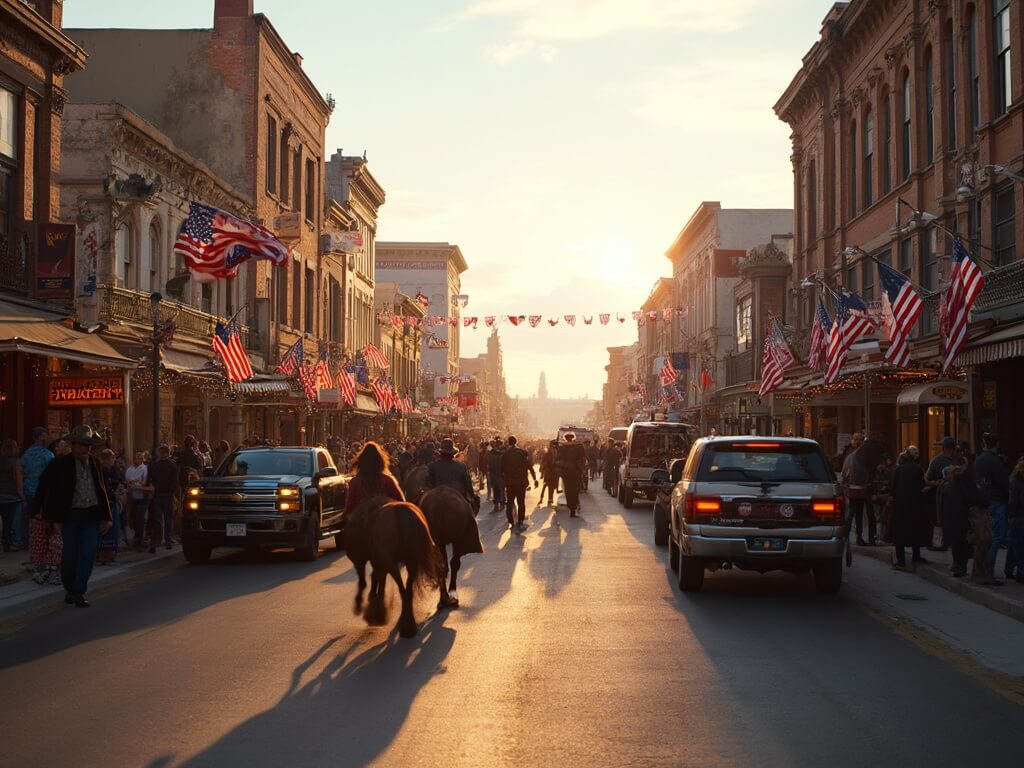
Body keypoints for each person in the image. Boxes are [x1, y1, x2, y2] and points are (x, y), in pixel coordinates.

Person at [36, 425, 112, 607]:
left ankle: (79, 591)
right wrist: (41, 514)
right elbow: (45, 488)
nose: (83, 448)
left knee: (87, 553)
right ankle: (70, 588)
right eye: (79, 444)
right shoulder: (59, 464)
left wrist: (107, 516)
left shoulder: (95, 463)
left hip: (91, 515)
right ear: (73, 445)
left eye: (86, 445)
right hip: (69, 515)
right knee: (69, 555)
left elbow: (102, 491)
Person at [974, 432, 1010, 586]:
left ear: (984, 443)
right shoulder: (995, 462)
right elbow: (1004, 483)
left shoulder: (979, 459)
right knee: (995, 536)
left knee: (986, 535)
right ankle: (987, 569)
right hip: (996, 500)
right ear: (997, 444)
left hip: (983, 499)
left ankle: (980, 569)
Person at [888, 450, 927, 570]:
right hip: (916, 505)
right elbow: (921, 486)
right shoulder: (918, 469)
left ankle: (901, 561)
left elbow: (893, 490)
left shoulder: (898, 470)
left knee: (900, 533)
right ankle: (916, 555)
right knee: (915, 530)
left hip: (900, 506)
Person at [344, 441, 405, 513]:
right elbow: (402, 503)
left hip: (362, 521)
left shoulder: (355, 482)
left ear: (361, 462)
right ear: (380, 462)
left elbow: (349, 507)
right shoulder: (388, 480)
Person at [19, 427, 52, 551]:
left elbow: (21, 469)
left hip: (29, 488)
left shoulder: (27, 453)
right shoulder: (46, 454)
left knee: (29, 517)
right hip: (42, 491)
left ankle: (27, 541)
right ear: (42, 437)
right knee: (42, 517)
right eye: (46, 436)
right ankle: (41, 541)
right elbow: (52, 470)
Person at [924, 437, 959, 551]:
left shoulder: (939, 460)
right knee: (941, 519)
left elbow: (927, 479)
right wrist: (937, 483)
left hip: (949, 495)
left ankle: (941, 543)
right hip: (943, 495)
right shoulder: (940, 460)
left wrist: (935, 482)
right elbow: (928, 479)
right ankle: (942, 542)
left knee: (942, 519)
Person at [502, 436, 538, 531]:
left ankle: (510, 520)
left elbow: (501, 470)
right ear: (516, 442)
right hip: (521, 482)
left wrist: (504, 481)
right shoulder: (522, 453)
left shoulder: (505, 455)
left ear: (509, 443)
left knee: (510, 502)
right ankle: (520, 520)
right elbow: (529, 466)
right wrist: (535, 479)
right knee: (521, 502)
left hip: (510, 482)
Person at [147, 445, 179, 554]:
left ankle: (159, 540)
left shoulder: (160, 465)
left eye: (159, 452)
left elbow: (150, 479)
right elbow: (175, 482)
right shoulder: (169, 465)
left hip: (161, 495)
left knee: (159, 519)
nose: (158, 454)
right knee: (166, 519)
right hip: (164, 495)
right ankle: (166, 540)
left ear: (163, 453)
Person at [96, 449, 124, 565]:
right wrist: (115, 494)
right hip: (105, 504)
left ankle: (109, 555)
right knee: (105, 530)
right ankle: (102, 555)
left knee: (113, 530)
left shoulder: (111, 470)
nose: (113, 460)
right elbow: (104, 489)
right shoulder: (101, 471)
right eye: (112, 458)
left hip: (111, 502)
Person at [0, 438, 25, 552]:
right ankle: (14, 542)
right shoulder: (16, 463)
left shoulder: (1, 461)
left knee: (5, 521)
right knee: (14, 522)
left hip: (2, 495)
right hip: (13, 496)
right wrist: (22, 497)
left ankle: (5, 541)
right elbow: (18, 482)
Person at [558, 432, 587, 517]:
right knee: (575, 490)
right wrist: (582, 469)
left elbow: (559, 459)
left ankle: (571, 508)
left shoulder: (562, 448)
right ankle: (574, 507)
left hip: (566, 472)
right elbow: (583, 459)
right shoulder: (578, 447)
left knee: (568, 491)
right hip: (576, 471)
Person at [1006, 457, 1024, 584]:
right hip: (1019, 515)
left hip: (1014, 515)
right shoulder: (1020, 481)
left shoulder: (1014, 478)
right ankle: (1021, 572)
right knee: (1019, 545)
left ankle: (1010, 570)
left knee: (1014, 544)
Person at [539, 440, 560, 506]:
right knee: (546, 485)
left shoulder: (557, 452)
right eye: (553, 445)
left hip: (554, 470)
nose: (554, 446)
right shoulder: (547, 454)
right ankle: (542, 498)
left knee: (552, 485)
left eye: (555, 445)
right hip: (548, 470)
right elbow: (544, 462)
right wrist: (543, 471)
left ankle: (550, 498)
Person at [488, 438, 506, 511]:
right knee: (501, 490)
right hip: (501, 474)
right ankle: (502, 503)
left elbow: (488, 464)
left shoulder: (491, 453)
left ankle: (496, 505)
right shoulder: (503, 454)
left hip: (493, 474)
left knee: (495, 490)